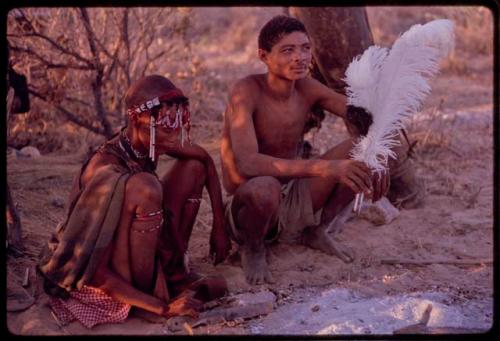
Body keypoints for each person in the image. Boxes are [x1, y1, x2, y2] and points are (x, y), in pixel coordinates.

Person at [37, 75, 231, 328]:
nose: (174, 134)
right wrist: (162, 308)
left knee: (192, 167)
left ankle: (172, 272)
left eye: (177, 122)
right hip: (100, 264)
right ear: (136, 118)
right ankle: (150, 295)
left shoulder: (148, 142)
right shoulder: (105, 169)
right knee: (146, 187)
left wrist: (219, 227)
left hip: (141, 248)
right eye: (165, 125)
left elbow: (203, 158)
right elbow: (95, 269)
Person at [220, 15, 391, 285]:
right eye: (288, 50)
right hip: (252, 202)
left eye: (305, 48)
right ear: (263, 56)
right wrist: (327, 168)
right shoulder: (246, 90)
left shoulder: (307, 87)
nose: (300, 57)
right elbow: (247, 164)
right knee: (265, 187)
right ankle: (252, 247)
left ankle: (317, 230)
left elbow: (360, 114)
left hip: (295, 194)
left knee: (361, 148)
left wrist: (377, 154)